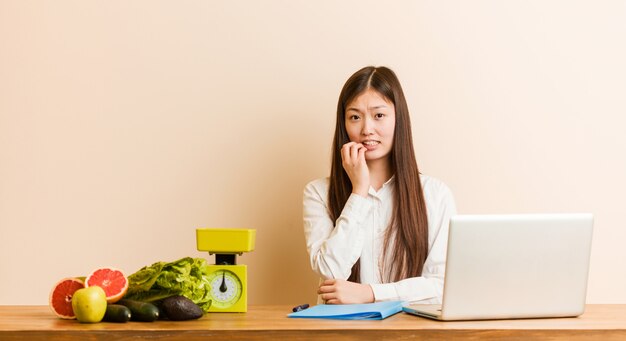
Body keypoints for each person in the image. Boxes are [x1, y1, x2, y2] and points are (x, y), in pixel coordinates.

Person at [302, 66, 457, 304]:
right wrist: (359, 192)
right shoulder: (318, 193)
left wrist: (371, 293)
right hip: (342, 333)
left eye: (379, 115)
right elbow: (330, 274)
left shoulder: (435, 194)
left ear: (399, 119)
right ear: (343, 124)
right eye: (355, 117)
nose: (366, 129)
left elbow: (440, 285)